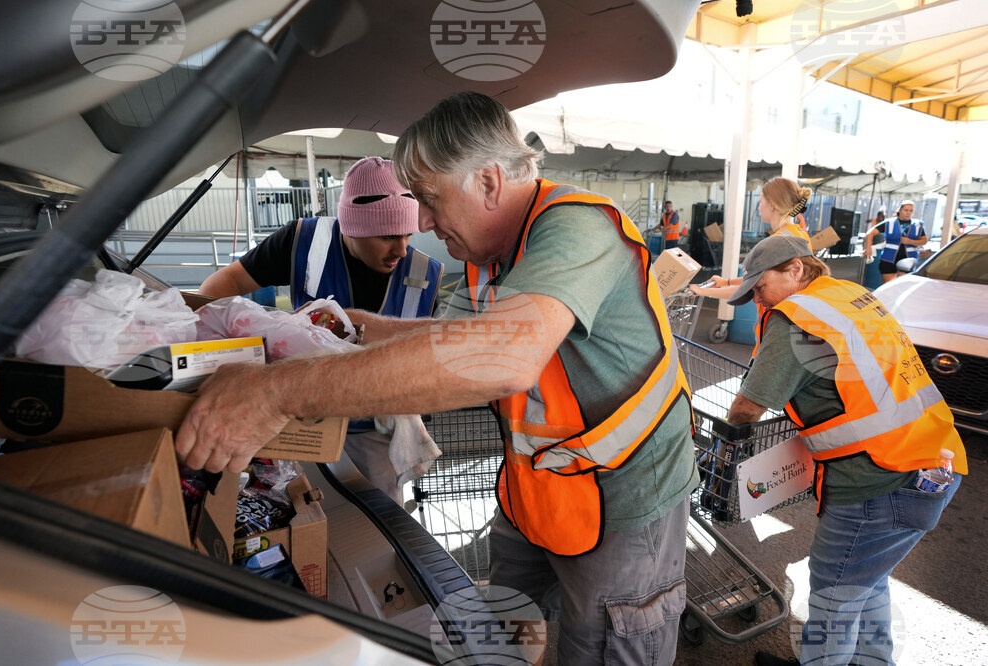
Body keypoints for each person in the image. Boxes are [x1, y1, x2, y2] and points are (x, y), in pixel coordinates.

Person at [177, 91, 698, 665]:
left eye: (427, 199)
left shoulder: (577, 228)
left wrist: (277, 390)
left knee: (601, 648)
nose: (420, 223)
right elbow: (447, 339)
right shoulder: (491, 253)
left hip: (624, 503)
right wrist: (362, 326)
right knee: (505, 635)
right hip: (537, 488)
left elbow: (501, 355)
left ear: (489, 183)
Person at [721, 235, 967, 666]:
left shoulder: (796, 318)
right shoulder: (849, 295)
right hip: (933, 457)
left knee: (835, 594)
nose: (756, 298)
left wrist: (718, 449)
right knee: (865, 580)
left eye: (760, 287)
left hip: (878, 477)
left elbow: (747, 407)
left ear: (795, 269)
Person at [198, 156, 444, 505]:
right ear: (353, 226)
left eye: (407, 234)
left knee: (375, 521)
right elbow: (227, 282)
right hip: (299, 416)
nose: (401, 250)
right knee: (297, 505)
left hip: (373, 433)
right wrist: (223, 352)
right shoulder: (303, 241)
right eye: (388, 236)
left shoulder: (425, 273)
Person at [691, 176, 814, 355]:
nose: (758, 207)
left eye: (761, 201)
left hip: (777, 327)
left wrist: (703, 291)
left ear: (772, 204)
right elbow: (763, 277)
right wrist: (726, 281)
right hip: (791, 323)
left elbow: (753, 289)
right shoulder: (798, 235)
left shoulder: (778, 243)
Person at [863, 200, 926, 283]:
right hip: (888, 259)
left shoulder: (917, 225)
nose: (908, 213)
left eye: (911, 211)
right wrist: (868, 249)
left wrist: (910, 241)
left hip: (908, 259)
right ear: (899, 210)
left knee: (902, 285)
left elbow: (924, 240)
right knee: (887, 285)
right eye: (906, 210)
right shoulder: (889, 222)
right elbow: (870, 233)